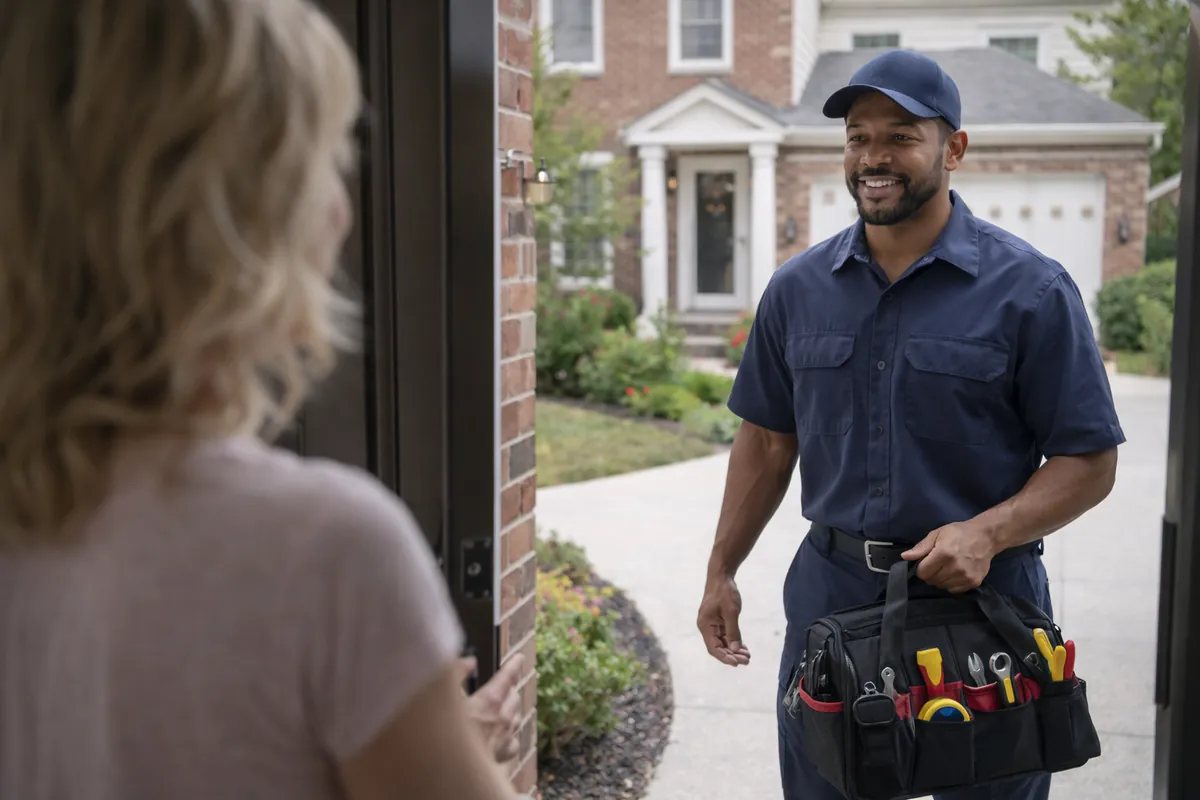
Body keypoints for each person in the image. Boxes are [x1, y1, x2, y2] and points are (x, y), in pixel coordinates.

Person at [0, 2, 524, 799]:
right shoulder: (326, 550)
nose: (342, 209)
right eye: (321, 162)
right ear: (236, 217)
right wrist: (472, 763)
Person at [695, 49, 1122, 800]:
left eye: (900, 135)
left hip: (989, 605)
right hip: (834, 595)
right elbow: (766, 439)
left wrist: (987, 532)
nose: (873, 157)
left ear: (953, 148)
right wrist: (720, 569)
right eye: (859, 137)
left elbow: (1089, 460)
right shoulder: (797, 291)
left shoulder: (1031, 290)